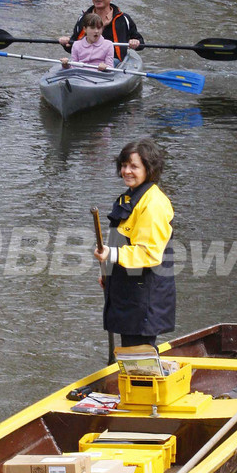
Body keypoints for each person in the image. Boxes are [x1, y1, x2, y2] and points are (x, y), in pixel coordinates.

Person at [93, 138, 176, 348]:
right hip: (128, 293)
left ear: (149, 169)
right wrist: (108, 272)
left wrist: (111, 255)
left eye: (134, 166)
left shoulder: (153, 204)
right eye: (123, 165)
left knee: (139, 358)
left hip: (144, 299)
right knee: (130, 356)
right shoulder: (130, 198)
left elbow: (149, 254)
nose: (126, 171)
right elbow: (122, 241)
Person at [59, 0, 144, 63]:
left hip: (113, 62)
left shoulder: (124, 19)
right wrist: (66, 42)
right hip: (86, 61)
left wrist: (135, 42)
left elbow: (141, 44)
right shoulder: (83, 19)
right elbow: (73, 47)